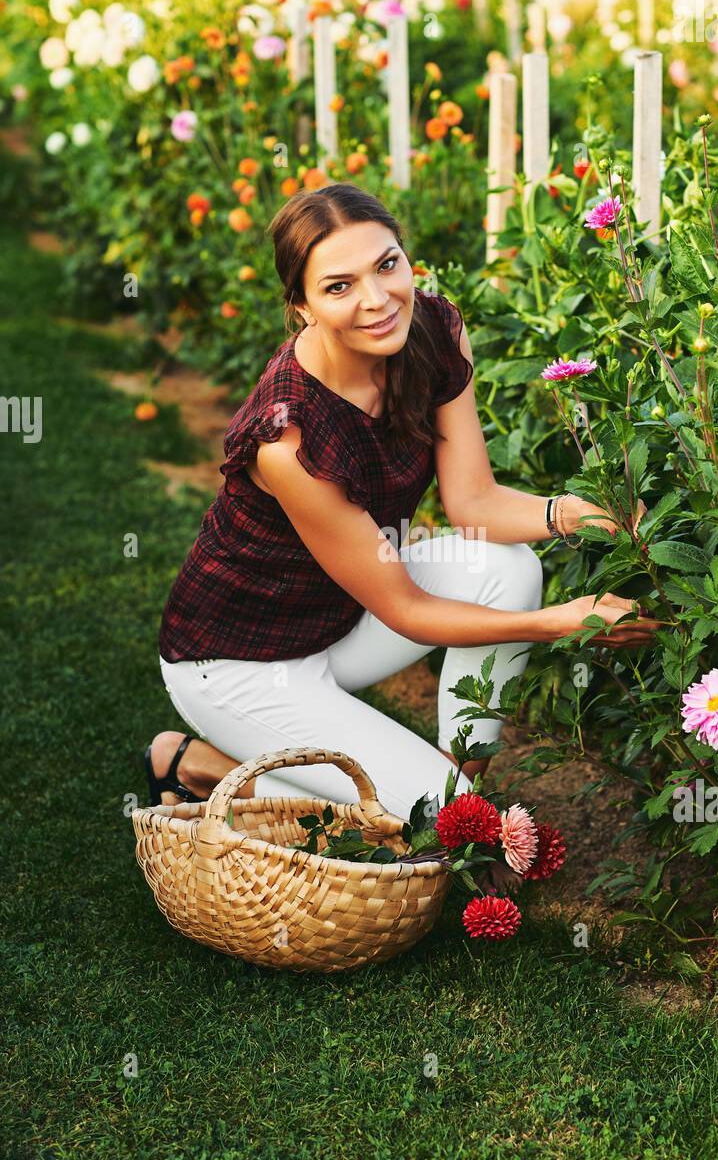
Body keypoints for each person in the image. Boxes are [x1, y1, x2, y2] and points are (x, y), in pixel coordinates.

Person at [145, 183, 659, 820]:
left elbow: (473, 503)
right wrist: (565, 622)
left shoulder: (433, 330)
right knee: (437, 821)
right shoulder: (289, 435)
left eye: (387, 265)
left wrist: (572, 514)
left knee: (509, 568)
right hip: (237, 662)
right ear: (301, 306)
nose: (377, 299)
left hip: (342, 621)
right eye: (339, 286)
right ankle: (198, 763)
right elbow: (408, 608)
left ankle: (453, 786)